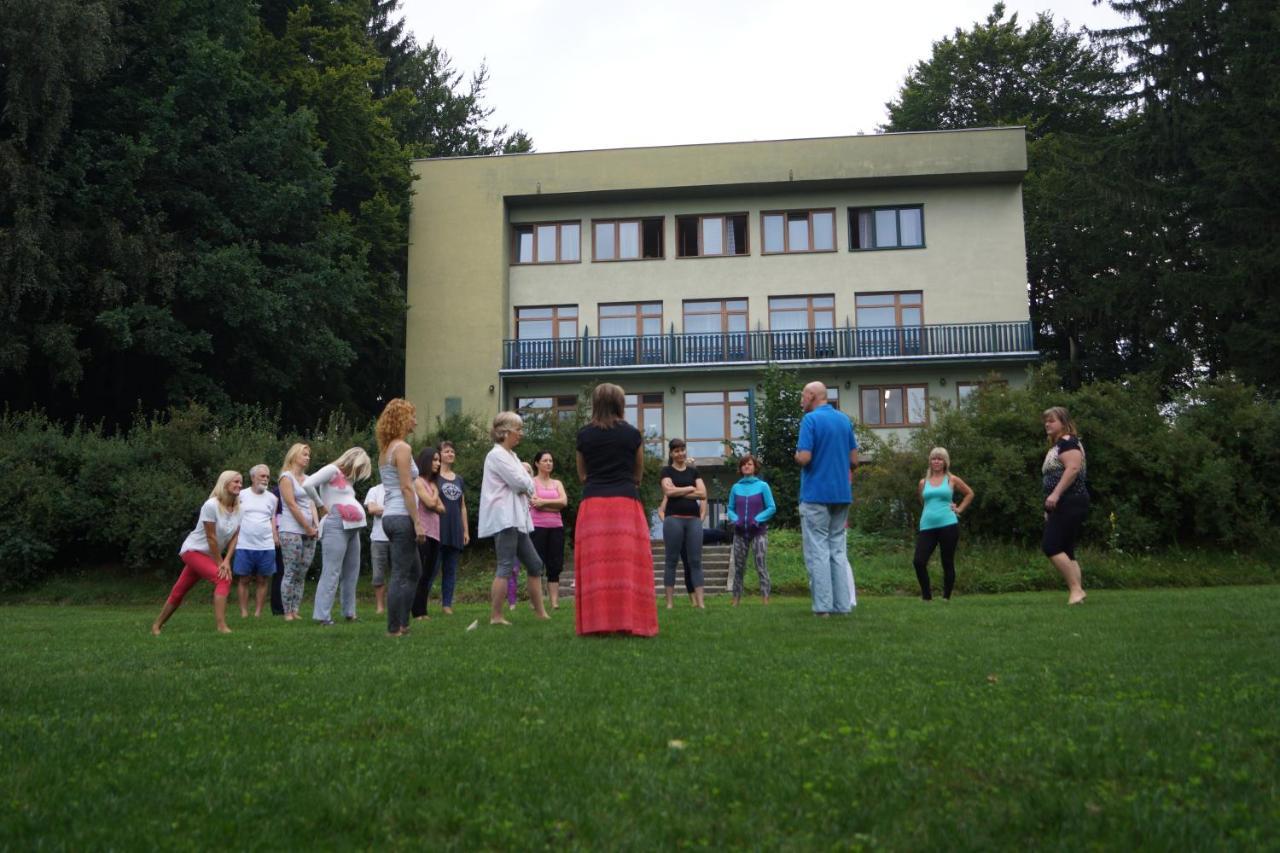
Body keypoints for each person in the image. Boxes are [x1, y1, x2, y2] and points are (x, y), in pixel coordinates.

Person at [574, 383, 659, 637]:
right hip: (625, 502)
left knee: (596, 566)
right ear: (620, 404)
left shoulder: (584, 435)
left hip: (593, 504)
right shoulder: (632, 434)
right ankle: (631, 622)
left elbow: (582, 474)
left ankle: (596, 624)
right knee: (628, 565)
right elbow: (638, 472)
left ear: (596, 403)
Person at [478, 412, 549, 625]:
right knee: (506, 566)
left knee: (535, 564)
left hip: (516, 519)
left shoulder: (512, 456)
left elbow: (524, 480)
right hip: (504, 518)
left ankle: (540, 613)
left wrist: (527, 483)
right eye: (518, 429)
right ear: (506, 432)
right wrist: (528, 484)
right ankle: (496, 616)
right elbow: (521, 482)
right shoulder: (496, 455)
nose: (521, 434)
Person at [794, 381, 859, 616]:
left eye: (803, 396)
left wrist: (796, 456)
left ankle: (822, 607)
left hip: (815, 495)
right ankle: (842, 606)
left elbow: (805, 457)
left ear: (812, 396)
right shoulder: (844, 420)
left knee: (817, 550)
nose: (801, 400)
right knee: (838, 551)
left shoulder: (810, 420)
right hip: (842, 494)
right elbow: (854, 461)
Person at [151, 470, 243, 635]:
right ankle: (222, 627)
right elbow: (211, 537)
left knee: (179, 591)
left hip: (211, 555)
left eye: (240, 482)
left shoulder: (239, 508)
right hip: (193, 551)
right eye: (235, 482)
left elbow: (235, 536)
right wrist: (220, 563)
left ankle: (156, 626)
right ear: (225, 483)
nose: (239, 485)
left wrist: (227, 560)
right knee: (223, 578)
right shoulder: (211, 505)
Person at [306, 447, 373, 625]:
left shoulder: (348, 480)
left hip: (353, 527)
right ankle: (322, 616)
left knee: (352, 572)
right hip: (336, 525)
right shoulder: (331, 470)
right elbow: (307, 484)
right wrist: (320, 506)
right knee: (332, 571)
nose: (359, 473)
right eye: (360, 468)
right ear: (353, 461)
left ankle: (350, 613)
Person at [377, 399, 426, 637]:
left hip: (390, 517)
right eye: (412, 416)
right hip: (401, 517)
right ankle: (394, 628)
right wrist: (417, 521)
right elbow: (407, 488)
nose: (415, 421)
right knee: (400, 574)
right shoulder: (403, 449)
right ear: (402, 420)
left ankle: (403, 623)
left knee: (414, 571)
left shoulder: (386, 450)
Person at [912, 447, 975, 601]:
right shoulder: (923, 482)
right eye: (934, 458)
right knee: (919, 561)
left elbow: (969, 493)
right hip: (927, 526)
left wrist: (958, 508)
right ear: (930, 461)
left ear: (945, 462)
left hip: (948, 525)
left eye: (940, 459)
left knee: (947, 561)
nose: (936, 461)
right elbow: (923, 501)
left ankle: (946, 597)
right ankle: (926, 597)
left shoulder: (951, 479)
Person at [1041, 406, 1089, 605]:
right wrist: (1049, 507)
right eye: (1046, 421)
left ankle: (1076, 590)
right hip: (1064, 502)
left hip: (1070, 500)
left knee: (1051, 546)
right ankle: (1078, 594)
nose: (1047, 424)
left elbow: (1073, 468)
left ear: (1064, 423)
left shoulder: (1068, 442)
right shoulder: (1059, 444)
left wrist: (1055, 494)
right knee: (1067, 550)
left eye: (1052, 420)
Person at [661, 438, 707, 609]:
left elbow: (702, 494)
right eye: (676, 451)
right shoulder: (666, 471)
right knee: (671, 560)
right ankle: (669, 604)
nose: (680, 453)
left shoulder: (694, 472)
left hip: (693, 520)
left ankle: (701, 603)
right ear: (671, 453)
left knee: (695, 561)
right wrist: (689, 488)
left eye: (682, 450)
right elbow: (668, 491)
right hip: (673, 520)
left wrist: (678, 491)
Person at [726, 453, 776, 606]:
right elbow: (730, 508)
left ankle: (765, 599)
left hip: (758, 532)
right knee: (739, 568)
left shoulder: (763, 486)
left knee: (761, 565)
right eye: (744, 464)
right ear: (741, 468)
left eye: (750, 464)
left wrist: (757, 519)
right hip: (740, 533)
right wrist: (735, 519)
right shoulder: (736, 487)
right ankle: (735, 600)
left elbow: (771, 507)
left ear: (755, 467)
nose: (746, 466)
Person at [278, 443, 319, 622]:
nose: (308, 457)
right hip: (291, 530)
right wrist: (307, 527)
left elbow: (312, 504)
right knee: (291, 571)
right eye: (304, 454)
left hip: (310, 532)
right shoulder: (286, 477)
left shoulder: (309, 479)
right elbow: (292, 505)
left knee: (302, 572)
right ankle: (287, 612)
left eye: (308, 455)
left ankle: (295, 610)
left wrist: (316, 526)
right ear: (294, 456)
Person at [233, 464, 279, 618]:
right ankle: (244, 613)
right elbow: (234, 518)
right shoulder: (241, 495)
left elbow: (272, 518)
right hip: (244, 544)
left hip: (266, 545)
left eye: (267, 476)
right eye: (262, 476)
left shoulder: (273, 498)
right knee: (244, 579)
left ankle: (258, 613)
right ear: (253, 478)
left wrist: (275, 536)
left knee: (262, 579)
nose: (265, 479)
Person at [529, 450, 568, 610]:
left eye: (550, 461)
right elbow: (534, 504)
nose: (548, 463)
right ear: (537, 463)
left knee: (555, 565)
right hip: (537, 527)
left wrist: (544, 504)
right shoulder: (531, 482)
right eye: (545, 461)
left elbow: (564, 502)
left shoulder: (557, 483)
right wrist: (554, 505)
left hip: (556, 528)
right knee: (537, 564)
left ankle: (554, 602)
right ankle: (536, 602)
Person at [435, 440, 469, 615]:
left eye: (452, 451)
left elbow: (462, 506)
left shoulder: (459, 479)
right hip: (437, 528)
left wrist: (466, 530)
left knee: (450, 569)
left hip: (455, 529)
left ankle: (447, 604)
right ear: (439, 455)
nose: (451, 454)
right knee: (432, 569)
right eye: (447, 451)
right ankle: (420, 604)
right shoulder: (433, 477)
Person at [411, 446, 445, 621]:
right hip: (422, 532)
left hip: (435, 534)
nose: (438, 463)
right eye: (435, 460)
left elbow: (442, 508)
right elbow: (432, 504)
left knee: (429, 574)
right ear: (425, 461)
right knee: (420, 573)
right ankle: (416, 612)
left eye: (439, 460)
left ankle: (423, 612)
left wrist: (434, 499)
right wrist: (436, 492)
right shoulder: (418, 482)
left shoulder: (432, 484)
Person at [363, 480, 389, 614]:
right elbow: (372, 509)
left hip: (400, 538)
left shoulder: (403, 488)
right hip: (379, 538)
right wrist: (393, 508)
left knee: (400, 573)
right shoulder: (375, 490)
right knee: (378, 575)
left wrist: (382, 508)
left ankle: (396, 605)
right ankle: (380, 607)